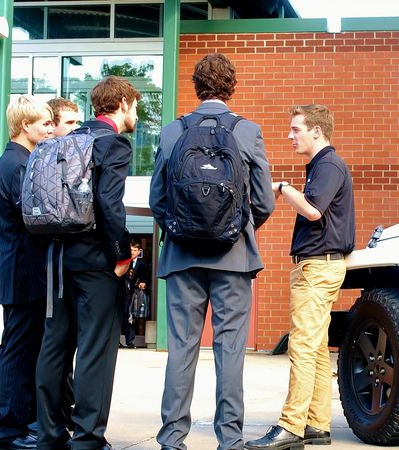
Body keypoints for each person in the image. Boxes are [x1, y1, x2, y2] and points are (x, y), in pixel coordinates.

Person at [150, 52, 274, 450]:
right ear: (230, 87)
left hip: (182, 257)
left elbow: (157, 200)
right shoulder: (248, 131)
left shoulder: (172, 133)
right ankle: (230, 440)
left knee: (182, 348)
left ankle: (172, 439)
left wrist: (184, 229)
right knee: (231, 349)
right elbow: (264, 203)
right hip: (233, 258)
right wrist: (235, 229)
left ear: (196, 86)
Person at [35, 76, 139, 450]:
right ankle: (88, 438)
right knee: (95, 348)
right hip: (96, 261)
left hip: (57, 258)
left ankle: (49, 435)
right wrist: (122, 254)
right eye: (136, 107)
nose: (136, 114)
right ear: (123, 103)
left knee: (55, 345)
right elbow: (110, 205)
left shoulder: (65, 141)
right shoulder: (114, 144)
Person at [245, 104, 355, 450]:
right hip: (319, 266)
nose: (290, 136)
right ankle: (316, 425)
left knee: (303, 347)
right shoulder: (323, 167)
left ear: (317, 132)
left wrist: (280, 186)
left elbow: (312, 209)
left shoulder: (328, 165)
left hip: (317, 267)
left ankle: (290, 425)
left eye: (296, 129)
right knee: (317, 348)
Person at [0, 95, 54, 450]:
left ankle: (17, 423)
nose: (50, 128)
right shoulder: (18, 165)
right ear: (25, 126)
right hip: (23, 273)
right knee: (17, 352)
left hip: (22, 272)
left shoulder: (18, 161)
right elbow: (36, 219)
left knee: (20, 350)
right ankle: (7, 430)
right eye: (44, 123)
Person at [46, 96, 81, 433]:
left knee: (65, 345)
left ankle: (61, 416)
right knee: (56, 347)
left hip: (63, 263)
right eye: (69, 123)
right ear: (52, 125)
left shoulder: (69, 156)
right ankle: (51, 422)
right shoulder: (48, 159)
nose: (76, 129)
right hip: (54, 266)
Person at [121, 242, 148, 348]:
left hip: (133, 294)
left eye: (135, 250)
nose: (132, 252)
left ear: (139, 252)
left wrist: (143, 283)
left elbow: (145, 278)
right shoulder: (123, 262)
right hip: (122, 293)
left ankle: (130, 341)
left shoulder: (142, 264)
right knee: (121, 316)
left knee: (130, 315)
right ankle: (118, 341)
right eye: (131, 250)